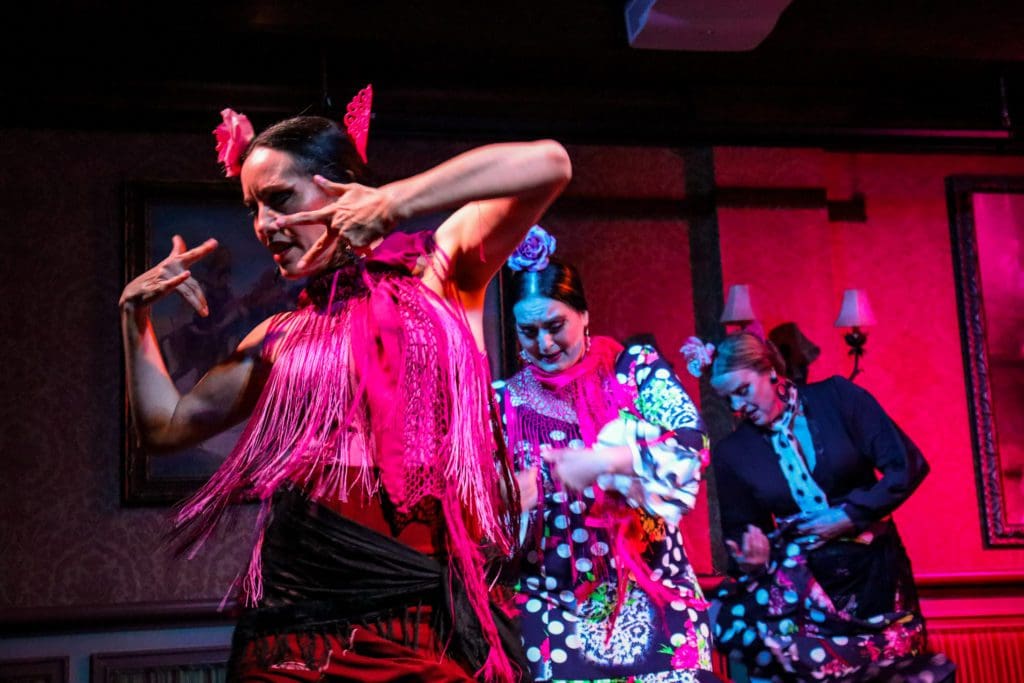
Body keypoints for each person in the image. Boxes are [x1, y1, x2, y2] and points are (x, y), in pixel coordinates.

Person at [120, 98, 571, 682]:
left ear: (340, 188)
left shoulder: (441, 270)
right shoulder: (281, 335)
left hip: (422, 609)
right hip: (303, 612)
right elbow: (165, 426)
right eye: (252, 208)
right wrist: (133, 316)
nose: (262, 226)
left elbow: (549, 163)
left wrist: (394, 201)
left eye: (279, 200)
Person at [493, 226, 717, 682]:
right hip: (550, 596)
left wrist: (605, 461)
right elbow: (471, 495)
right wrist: (504, 498)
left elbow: (693, 445)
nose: (544, 344)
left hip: (651, 584)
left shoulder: (632, 372)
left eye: (556, 326)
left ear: (584, 315)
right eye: (528, 331)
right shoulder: (501, 401)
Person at [685, 331, 935, 681]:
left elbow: (906, 465)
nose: (738, 409)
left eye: (743, 391)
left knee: (888, 673)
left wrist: (850, 515)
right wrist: (753, 559)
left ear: (770, 369)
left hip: (875, 575)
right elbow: (743, 533)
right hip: (806, 589)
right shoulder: (734, 453)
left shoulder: (837, 399)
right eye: (729, 401)